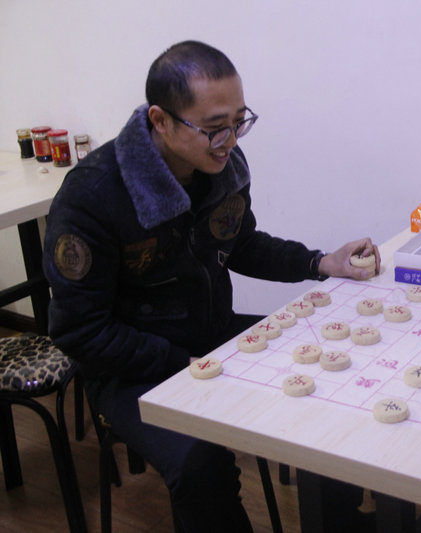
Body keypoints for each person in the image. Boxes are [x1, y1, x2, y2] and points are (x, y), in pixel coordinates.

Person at [43, 41, 379, 532]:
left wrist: (321, 262)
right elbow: (80, 331)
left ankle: (342, 524)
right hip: (130, 367)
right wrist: (183, 364)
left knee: (333, 381)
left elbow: (239, 243)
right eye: (215, 127)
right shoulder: (94, 195)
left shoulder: (223, 165)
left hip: (213, 338)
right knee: (199, 463)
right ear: (160, 120)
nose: (230, 141)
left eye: (240, 122)